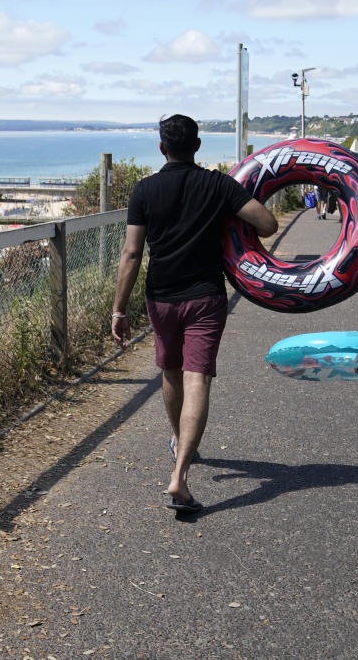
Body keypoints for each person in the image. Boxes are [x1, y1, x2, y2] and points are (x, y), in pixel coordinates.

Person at [112, 114, 278, 514]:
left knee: (171, 373)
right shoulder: (218, 184)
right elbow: (268, 225)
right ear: (198, 146)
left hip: (161, 296)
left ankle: (177, 440)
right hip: (206, 295)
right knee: (197, 378)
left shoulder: (144, 190)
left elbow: (132, 253)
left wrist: (119, 308)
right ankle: (180, 475)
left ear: (161, 148)